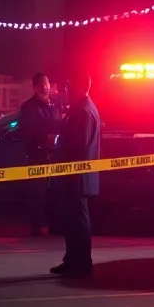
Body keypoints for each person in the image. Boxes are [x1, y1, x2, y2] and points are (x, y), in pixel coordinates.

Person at [51, 72, 100, 278]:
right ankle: (72, 259)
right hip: (74, 175)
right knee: (71, 219)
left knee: (78, 220)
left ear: (81, 87)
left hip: (77, 176)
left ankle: (81, 263)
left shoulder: (84, 112)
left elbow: (78, 145)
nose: (65, 91)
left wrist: (57, 149)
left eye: (69, 87)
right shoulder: (81, 109)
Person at [18, 72, 61, 237]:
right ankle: (36, 227)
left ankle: (55, 226)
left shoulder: (56, 104)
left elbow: (60, 124)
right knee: (38, 193)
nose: (45, 87)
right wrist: (45, 138)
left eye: (47, 83)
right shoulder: (28, 107)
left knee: (55, 193)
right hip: (37, 155)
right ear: (35, 87)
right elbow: (26, 131)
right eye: (41, 84)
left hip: (56, 156)